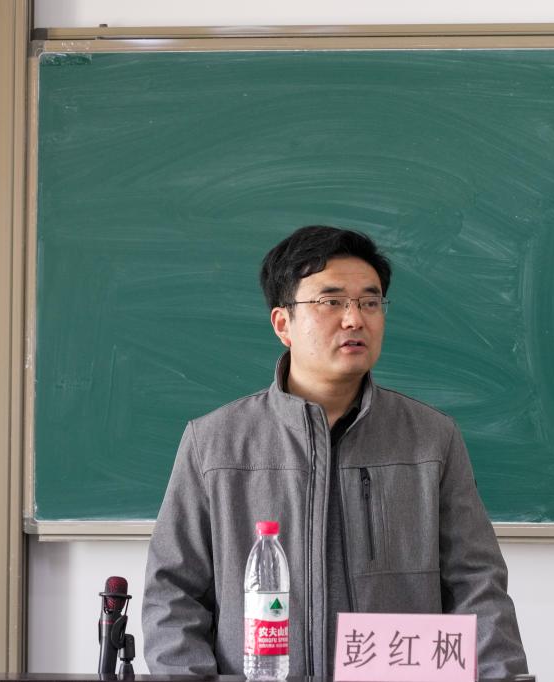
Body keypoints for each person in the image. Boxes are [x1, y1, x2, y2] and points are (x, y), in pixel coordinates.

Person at [143, 225, 528, 678]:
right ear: (283, 324)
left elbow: (477, 587)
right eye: (331, 301)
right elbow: (173, 595)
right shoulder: (214, 443)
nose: (354, 319)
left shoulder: (431, 438)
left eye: (370, 302)